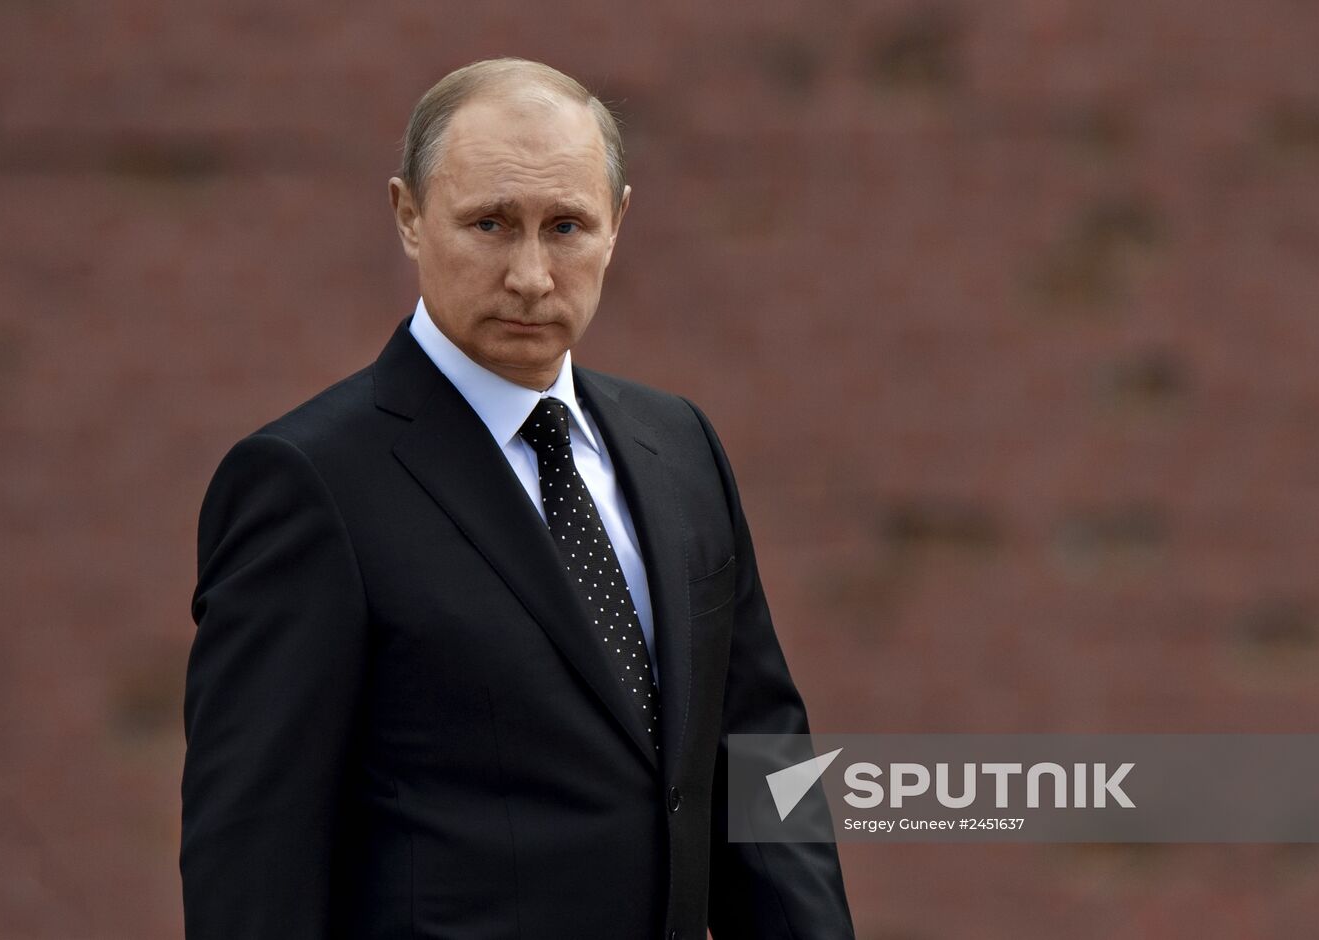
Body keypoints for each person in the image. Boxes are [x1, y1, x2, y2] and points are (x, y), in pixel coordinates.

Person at [181, 57, 855, 939]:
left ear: (617, 224)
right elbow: (251, 860)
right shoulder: (307, 485)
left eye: (565, 226)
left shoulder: (680, 447)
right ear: (409, 217)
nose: (532, 275)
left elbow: (761, 759)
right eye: (491, 224)